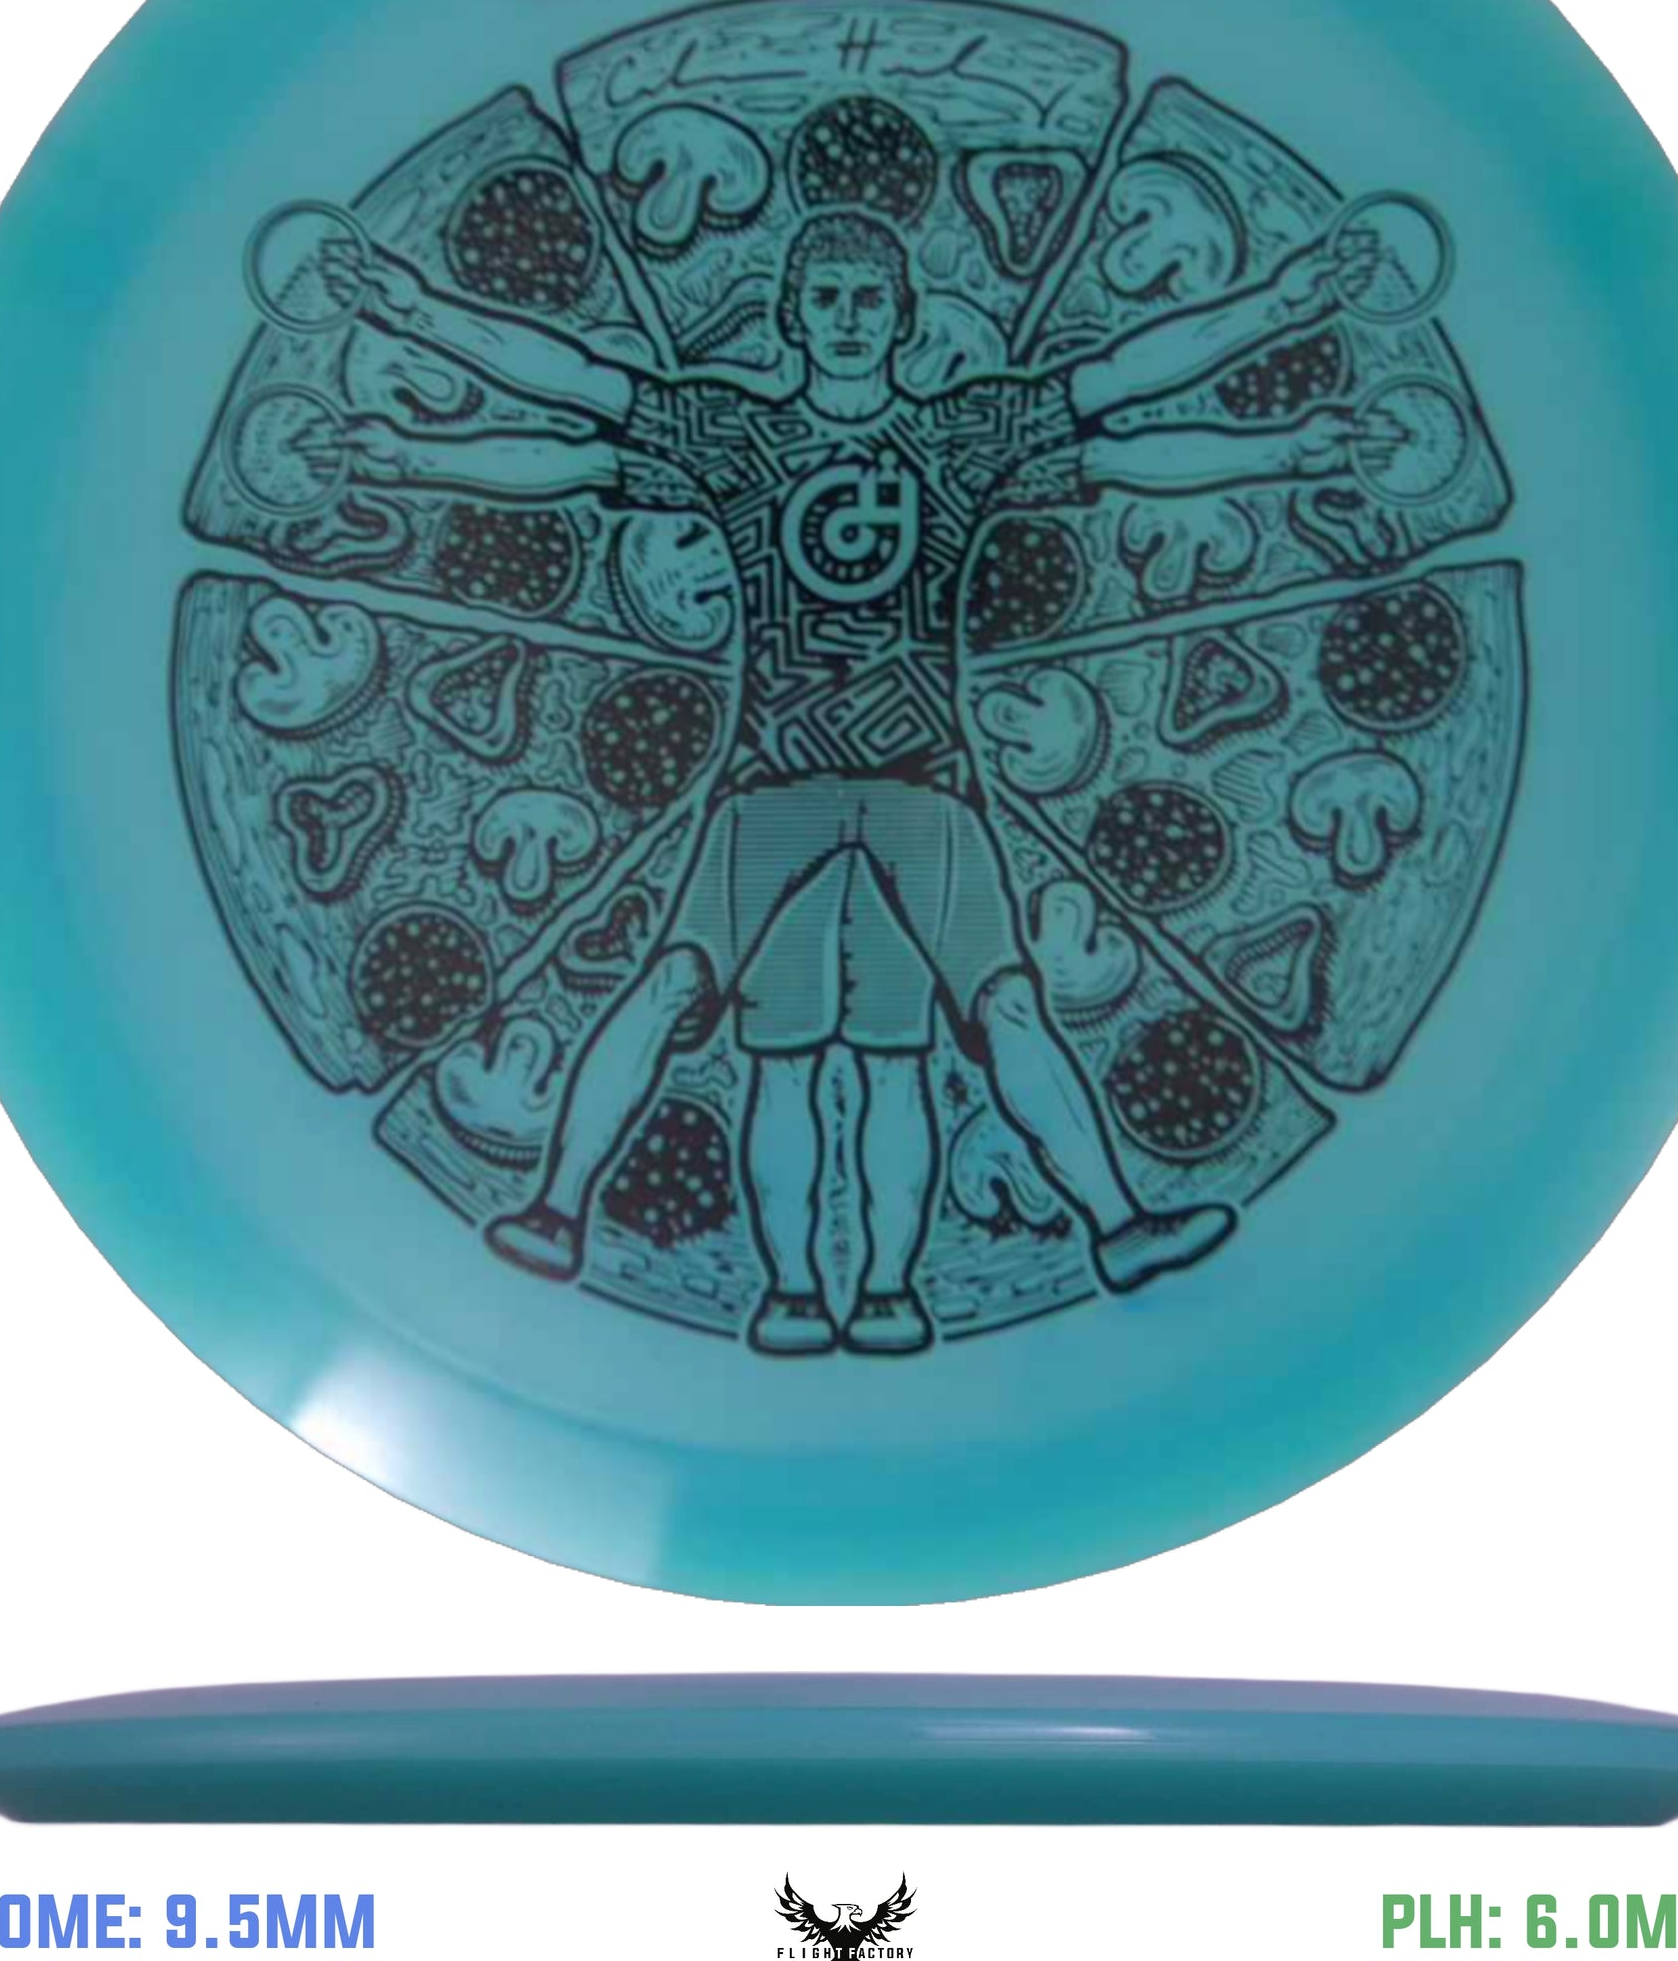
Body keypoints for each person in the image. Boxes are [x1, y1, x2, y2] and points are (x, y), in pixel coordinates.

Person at [313, 205, 1379, 1353]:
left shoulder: (960, 436)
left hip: (921, 790)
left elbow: (1119, 410)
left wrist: (1287, 374)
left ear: (903, 317)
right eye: (823, 298)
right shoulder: (735, 438)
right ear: (790, 316)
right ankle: (573, 1214)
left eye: (868, 299)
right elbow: (576, 408)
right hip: (775, 786)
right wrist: (410, 372)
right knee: (701, 1005)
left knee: (953, 1029)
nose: (846, 319)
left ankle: (1057, 1243)